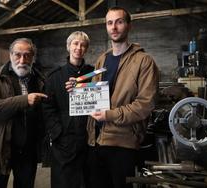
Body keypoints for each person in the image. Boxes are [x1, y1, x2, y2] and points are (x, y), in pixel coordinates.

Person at [66, 7, 159, 188]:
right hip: (96, 140)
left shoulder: (144, 61)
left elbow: (145, 104)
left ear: (128, 26)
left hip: (123, 143)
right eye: (109, 23)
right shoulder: (102, 59)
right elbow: (95, 92)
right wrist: (77, 88)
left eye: (119, 22)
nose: (114, 27)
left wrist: (110, 115)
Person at [0, 38, 48, 188]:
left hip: (27, 151)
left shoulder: (40, 79)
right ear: (10, 55)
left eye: (27, 55)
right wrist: (24, 100)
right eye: (17, 55)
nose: (22, 60)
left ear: (33, 57)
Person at [42, 31, 94, 188]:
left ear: (86, 49)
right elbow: (47, 107)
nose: (79, 48)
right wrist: (57, 132)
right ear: (68, 47)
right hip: (64, 140)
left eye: (83, 45)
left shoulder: (94, 74)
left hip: (89, 137)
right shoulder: (54, 76)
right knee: (64, 181)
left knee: (89, 179)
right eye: (75, 44)